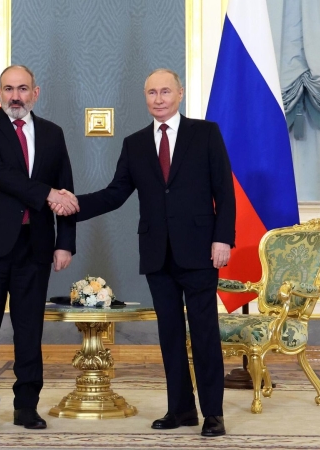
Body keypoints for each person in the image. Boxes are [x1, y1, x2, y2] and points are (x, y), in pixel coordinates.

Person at [51, 68, 234, 437]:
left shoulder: (205, 133)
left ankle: (213, 413)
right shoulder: (135, 144)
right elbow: (115, 194)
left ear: (180, 94)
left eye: (165, 91)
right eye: (152, 92)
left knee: (204, 333)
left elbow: (224, 192)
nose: (159, 99)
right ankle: (180, 409)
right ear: (145, 98)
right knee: (169, 334)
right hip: (157, 253)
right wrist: (74, 204)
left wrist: (223, 239)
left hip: (200, 251)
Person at [0, 65, 79, 433]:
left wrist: (65, 243)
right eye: (9, 89)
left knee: (30, 331)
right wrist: (47, 193)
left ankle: (27, 407)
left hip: (36, 245)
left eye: (23, 88)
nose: (15, 96)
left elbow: (66, 189)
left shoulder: (53, 133)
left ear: (35, 93)